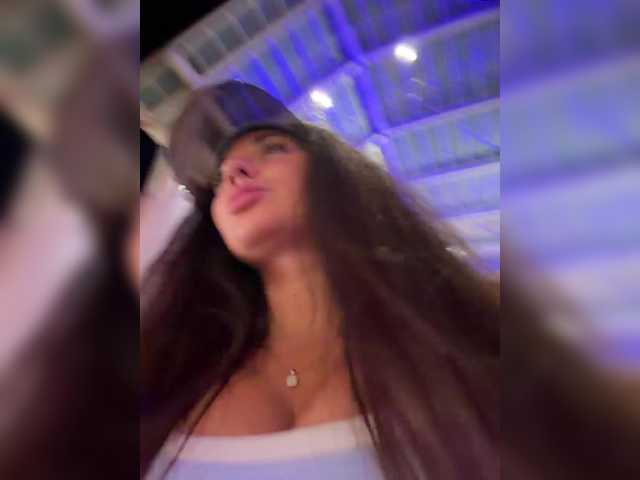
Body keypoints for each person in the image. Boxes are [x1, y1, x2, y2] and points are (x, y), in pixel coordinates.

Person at [141, 82, 500, 479]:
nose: (235, 172)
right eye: (220, 177)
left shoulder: (476, 320)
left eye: (272, 148)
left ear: (337, 174)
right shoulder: (169, 367)